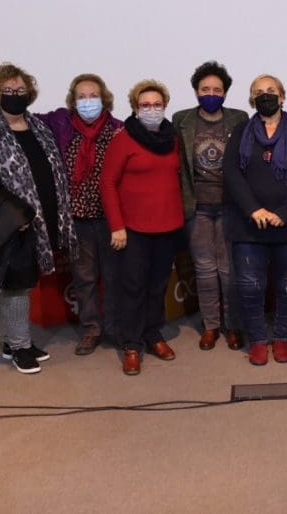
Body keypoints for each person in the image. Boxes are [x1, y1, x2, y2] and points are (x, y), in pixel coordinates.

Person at [0, 73, 124, 355]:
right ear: (73, 101)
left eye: (93, 96)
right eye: (81, 97)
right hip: (76, 221)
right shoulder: (60, 123)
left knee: (114, 277)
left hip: (111, 218)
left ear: (104, 99)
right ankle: (91, 329)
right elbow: (21, 118)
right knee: (84, 279)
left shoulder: (119, 129)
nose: (88, 102)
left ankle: (115, 328)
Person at [0, 63, 77, 374]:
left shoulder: (40, 128)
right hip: (11, 226)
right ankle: (20, 347)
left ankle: (14, 340)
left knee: (24, 283)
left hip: (41, 224)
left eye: (21, 90)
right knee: (14, 284)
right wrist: (14, 217)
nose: (15, 95)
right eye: (8, 90)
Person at [224, 75, 287, 365]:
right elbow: (231, 172)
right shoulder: (241, 131)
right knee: (250, 285)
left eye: (271, 91)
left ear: (282, 96)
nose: (265, 96)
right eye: (259, 92)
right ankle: (257, 340)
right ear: (252, 99)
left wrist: (284, 212)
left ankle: (281, 337)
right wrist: (254, 209)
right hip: (249, 224)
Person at [100, 79, 184, 375]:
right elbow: (107, 183)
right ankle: (132, 345)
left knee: (157, 286)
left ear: (165, 107)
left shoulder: (173, 139)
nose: (151, 109)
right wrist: (116, 226)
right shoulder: (123, 139)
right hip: (132, 230)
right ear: (135, 109)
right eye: (145, 105)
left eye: (157, 104)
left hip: (168, 226)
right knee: (133, 287)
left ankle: (153, 334)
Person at [172, 61, 248, 352]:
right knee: (204, 269)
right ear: (196, 91)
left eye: (217, 89)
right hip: (197, 206)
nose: (211, 94)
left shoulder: (239, 119)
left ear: (225, 93)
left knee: (229, 271)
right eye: (205, 89)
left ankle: (233, 325)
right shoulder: (181, 120)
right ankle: (211, 326)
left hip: (230, 206)